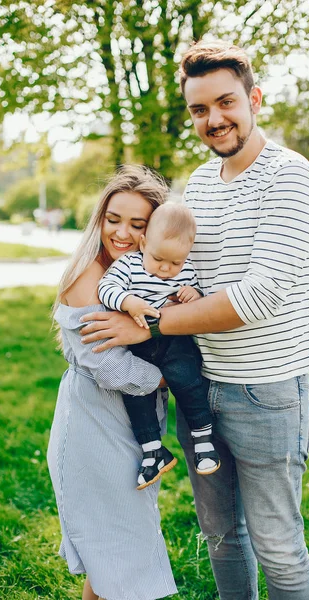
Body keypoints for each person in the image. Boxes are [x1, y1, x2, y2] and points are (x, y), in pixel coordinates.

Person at [79, 40, 309, 600]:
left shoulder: (289, 177)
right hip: (201, 382)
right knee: (221, 538)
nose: (214, 119)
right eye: (199, 109)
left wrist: (150, 327)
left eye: (226, 102)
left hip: (266, 390)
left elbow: (257, 297)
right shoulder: (199, 186)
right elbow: (169, 273)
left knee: (278, 545)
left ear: (254, 99)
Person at [47, 165, 178, 600]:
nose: (121, 233)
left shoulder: (147, 274)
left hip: (133, 429)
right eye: (113, 219)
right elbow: (108, 367)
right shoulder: (89, 277)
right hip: (93, 428)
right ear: (99, 219)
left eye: (137, 224)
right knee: (124, 552)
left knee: (113, 560)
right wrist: (167, 377)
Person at [98, 203, 220, 489]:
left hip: (174, 342)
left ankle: (204, 441)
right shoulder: (128, 264)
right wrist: (128, 301)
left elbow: (200, 301)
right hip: (138, 348)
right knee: (136, 394)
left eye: (175, 263)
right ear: (143, 243)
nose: (166, 269)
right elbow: (107, 288)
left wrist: (195, 293)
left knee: (189, 382)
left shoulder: (186, 270)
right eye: (158, 259)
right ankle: (152, 450)